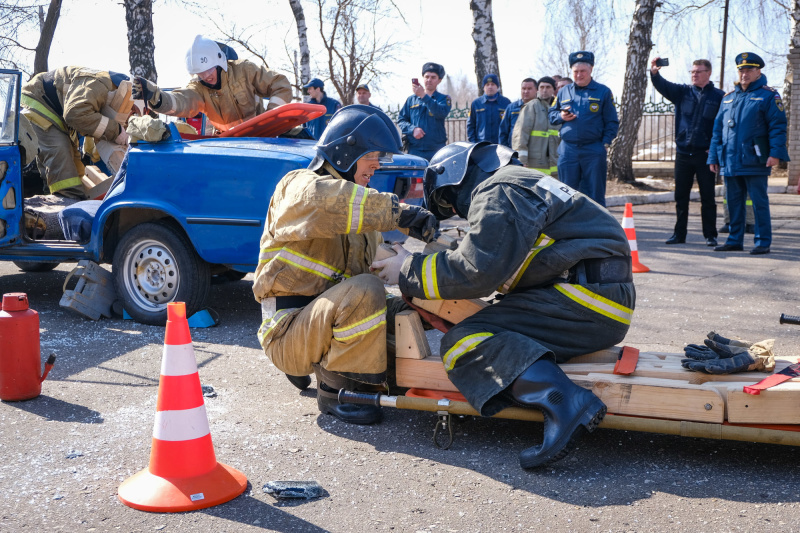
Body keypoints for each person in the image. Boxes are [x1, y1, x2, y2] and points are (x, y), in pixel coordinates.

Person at [372, 142, 635, 469]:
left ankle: (565, 403)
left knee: (464, 341)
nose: (458, 212)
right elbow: (499, 258)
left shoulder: (499, 190)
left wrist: (408, 268)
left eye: (451, 203)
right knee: (486, 328)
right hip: (596, 298)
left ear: (458, 177)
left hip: (584, 301)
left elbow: (477, 269)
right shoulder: (523, 182)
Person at [252, 105, 439, 425]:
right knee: (367, 291)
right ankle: (337, 391)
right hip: (286, 330)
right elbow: (320, 200)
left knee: (414, 307)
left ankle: (366, 373)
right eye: (373, 156)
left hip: (320, 321)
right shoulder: (298, 186)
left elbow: (378, 263)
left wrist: (415, 272)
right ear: (347, 151)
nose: (377, 166)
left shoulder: (358, 220)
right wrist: (400, 213)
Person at [708, 52, 789, 255]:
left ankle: (762, 241)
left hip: (755, 158)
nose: (744, 74)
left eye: (749, 70)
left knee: (758, 202)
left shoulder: (768, 96)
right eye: (741, 70)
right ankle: (735, 239)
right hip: (730, 160)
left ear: (758, 71)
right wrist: (714, 157)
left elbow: (778, 127)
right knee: (733, 202)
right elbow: (718, 129)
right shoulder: (729, 98)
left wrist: (775, 153)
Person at [132, 35, 292, 135]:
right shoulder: (197, 88)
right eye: (199, 72)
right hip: (226, 142)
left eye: (208, 69)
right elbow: (182, 100)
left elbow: (280, 84)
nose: (205, 76)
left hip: (261, 138)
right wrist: (157, 98)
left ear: (219, 62)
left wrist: (271, 121)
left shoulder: (245, 70)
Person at [21, 67, 132, 198]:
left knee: (75, 168)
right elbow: (74, 114)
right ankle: (67, 208)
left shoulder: (101, 89)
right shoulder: (97, 86)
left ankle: (55, 201)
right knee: (61, 160)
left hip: (56, 110)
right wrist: (116, 131)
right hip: (39, 101)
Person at [650, 57, 724, 247]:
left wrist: (715, 150)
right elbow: (662, 85)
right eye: (692, 71)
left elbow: (723, 126)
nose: (694, 74)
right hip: (683, 154)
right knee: (681, 197)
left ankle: (710, 235)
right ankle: (679, 234)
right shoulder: (682, 92)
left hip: (705, 156)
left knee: (708, 197)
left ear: (708, 73)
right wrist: (655, 73)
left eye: (698, 71)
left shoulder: (719, 97)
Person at [549, 51, 619, 206]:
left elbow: (612, 121)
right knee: (566, 195)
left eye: (583, 71)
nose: (579, 75)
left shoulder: (603, 92)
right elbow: (551, 114)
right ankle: (568, 229)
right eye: (575, 72)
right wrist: (561, 116)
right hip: (568, 150)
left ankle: (597, 229)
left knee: (595, 195)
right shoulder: (563, 92)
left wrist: (605, 144)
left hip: (593, 150)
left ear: (591, 70)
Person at [397, 62, 452, 160]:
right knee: (415, 175)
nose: (429, 80)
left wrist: (423, 96)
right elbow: (401, 120)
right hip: (415, 150)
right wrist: (412, 129)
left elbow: (440, 113)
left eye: (433, 77)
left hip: (436, 150)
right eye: (426, 77)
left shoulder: (444, 99)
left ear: (439, 80)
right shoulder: (411, 100)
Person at [511, 76, 560, 176]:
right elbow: (521, 135)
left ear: (554, 90)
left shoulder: (558, 109)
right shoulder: (531, 107)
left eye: (548, 87)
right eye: (541, 87)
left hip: (555, 166)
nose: (544, 90)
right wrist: (521, 160)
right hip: (534, 166)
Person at [467, 74, 511, 144]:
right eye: (487, 84)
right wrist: (473, 143)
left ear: (497, 87)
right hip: (481, 144)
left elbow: (510, 125)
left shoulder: (506, 103)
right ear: (483, 87)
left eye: (493, 84)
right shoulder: (476, 104)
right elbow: (471, 125)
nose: (490, 87)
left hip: (501, 144)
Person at [499, 78, 537, 147]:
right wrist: (504, 150)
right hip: (514, 150)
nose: (526, 91)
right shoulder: (511, 108)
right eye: (523, 88)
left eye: (529, 89)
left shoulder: (541, 108)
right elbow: (503, 132)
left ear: (536, 90)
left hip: (535, 150)